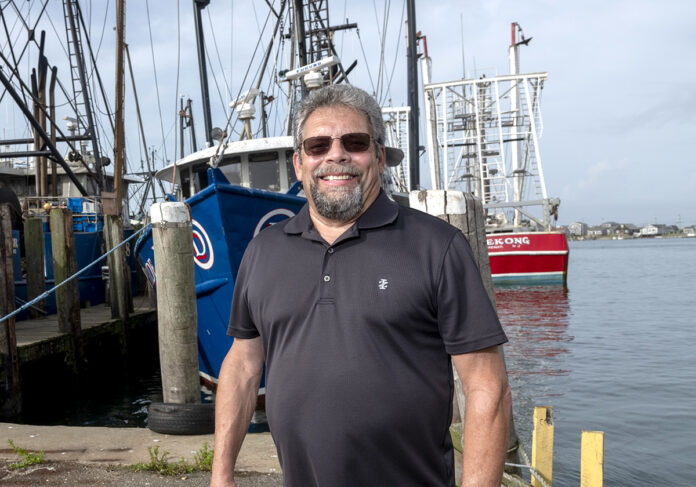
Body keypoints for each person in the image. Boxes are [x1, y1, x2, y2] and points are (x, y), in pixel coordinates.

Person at [210, 84, 511, 487]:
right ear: (299, 164)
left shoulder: (437, 246)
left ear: (379, 156)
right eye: (318, 146)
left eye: (354, 142)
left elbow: (487, 386)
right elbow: (244, 364)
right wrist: (221, 474)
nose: (336, 155)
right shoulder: (263, 251)